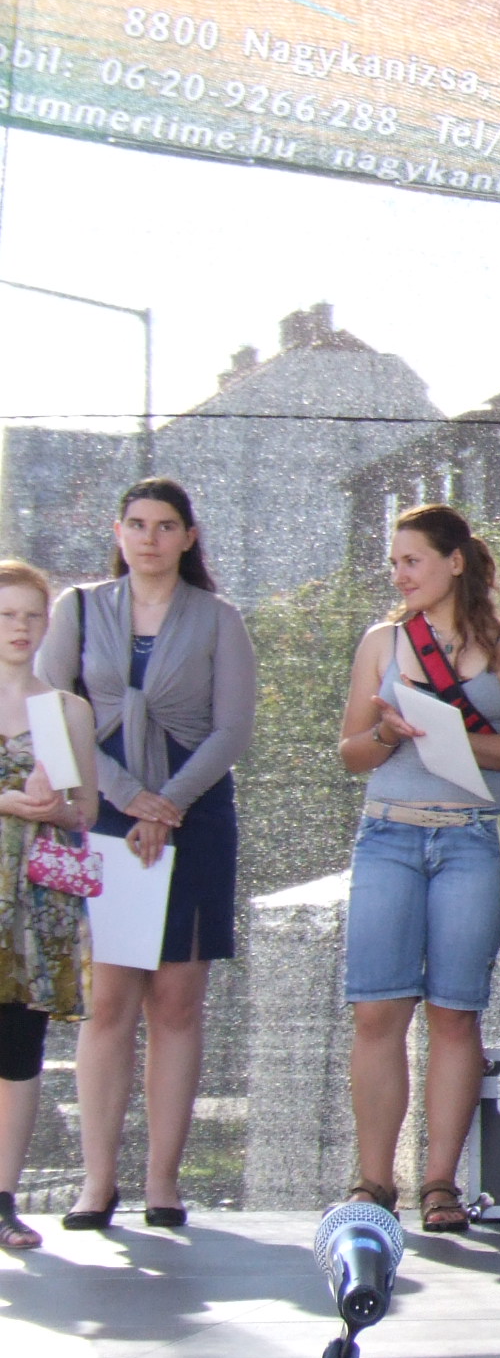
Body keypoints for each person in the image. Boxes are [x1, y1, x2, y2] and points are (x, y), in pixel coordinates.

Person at [37, 478, 254, 1232]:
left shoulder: (219, 618)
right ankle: (98, 1183)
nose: (150, 538)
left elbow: (232, 729)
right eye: (137, 524)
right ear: (118, 531)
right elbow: (52, 714)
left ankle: (163, 1183)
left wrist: (170, 804)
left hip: (195, 815)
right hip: (103, 814)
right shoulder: (77, 608)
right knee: (107, 1003)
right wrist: (131, 798)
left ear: (188, 537)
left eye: (165, 526)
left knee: (176, 1002)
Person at [335, 504, 500, 1234]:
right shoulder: (383, 641)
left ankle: (440, 1182)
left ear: (454, 562)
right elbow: (351, 752)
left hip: (474, 836)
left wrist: (452, 735)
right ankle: (373, 1181)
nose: (400, 575)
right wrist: (387, 731)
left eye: (413, 561)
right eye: (394, 563)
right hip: (390, 833)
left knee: (454, 1012)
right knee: (377, 1009)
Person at [0, 564, 98, 1251]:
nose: (20, 628)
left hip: (35, 906)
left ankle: (3, 1197)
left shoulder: (64, 710)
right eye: (7, 615)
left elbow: (85, 809)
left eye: (33, 616)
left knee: (18, 1050)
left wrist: (54, 809)